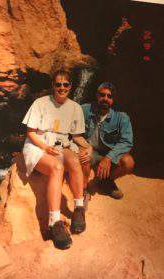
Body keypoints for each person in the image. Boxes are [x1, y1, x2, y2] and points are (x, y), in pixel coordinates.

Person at [22, 69, 87, 250]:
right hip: (38, 145)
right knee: (57, 168)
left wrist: (87, 147)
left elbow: (76, 136)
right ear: (53, 86)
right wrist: (45, 148)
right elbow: (30, 133)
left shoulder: (75, 107)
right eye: (58, 84)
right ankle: (54, 222)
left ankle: (79, 208)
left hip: (61, 145)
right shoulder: (40, 103)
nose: (62, 88)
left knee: (74, 161)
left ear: (71, 86)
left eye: (65, 84)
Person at [78, 82, 135, 199]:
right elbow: (73, 131)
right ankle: (83, 188)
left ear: (113, 100)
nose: (105, 98)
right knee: (83, 153)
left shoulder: (121, 117)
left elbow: (127, 142)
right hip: (91, 151)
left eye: (109, 96)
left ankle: (106, 181)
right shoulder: (84, 110)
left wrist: (109, 158)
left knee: (128, 162)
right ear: (96, 95)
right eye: (102, 95)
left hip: (109, 154)